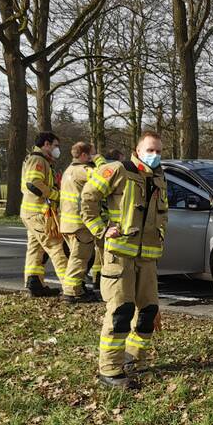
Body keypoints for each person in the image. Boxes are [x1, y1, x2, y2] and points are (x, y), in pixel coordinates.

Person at [80, 132, 168, 389]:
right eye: (150, 150)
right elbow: (88, 198)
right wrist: (101, 229)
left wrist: (160, 236)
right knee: (121, 311)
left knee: (148, 312)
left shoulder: (159, 177)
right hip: (119, 255)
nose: (155, 155)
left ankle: (135, 359)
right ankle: (109, 369)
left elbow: (163, 214)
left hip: (147, 257)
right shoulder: (118, 170)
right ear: (138, 150)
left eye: (159, 151)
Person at [20, 132, 70, 297]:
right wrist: (56, 195)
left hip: (32, 213)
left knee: (36, 248)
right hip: (39, 213)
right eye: (55, 145)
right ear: (46, 144)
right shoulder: (38, 160)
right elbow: (34, 184)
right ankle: (71, 289)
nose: (57, 149)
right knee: (56, 247)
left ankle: (34, 283)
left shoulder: (38, 159)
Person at [59, 142, 100, 303]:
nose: (94, 156)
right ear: (84, 155)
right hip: (80, 225)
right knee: (79, 259)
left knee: (76, 258)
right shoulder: (83, 170)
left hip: (68, 224)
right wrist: (100, 160)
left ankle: (77, 288)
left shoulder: (68, 170)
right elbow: (104, 177)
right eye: (92, 153)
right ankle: (72, 292)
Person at [87, 148, 124, 293]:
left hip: (99, 217)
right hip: (103, 217)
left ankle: (96, 277)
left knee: (99, 250)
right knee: (102, 251)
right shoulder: (109, 170)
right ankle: (99, 279)